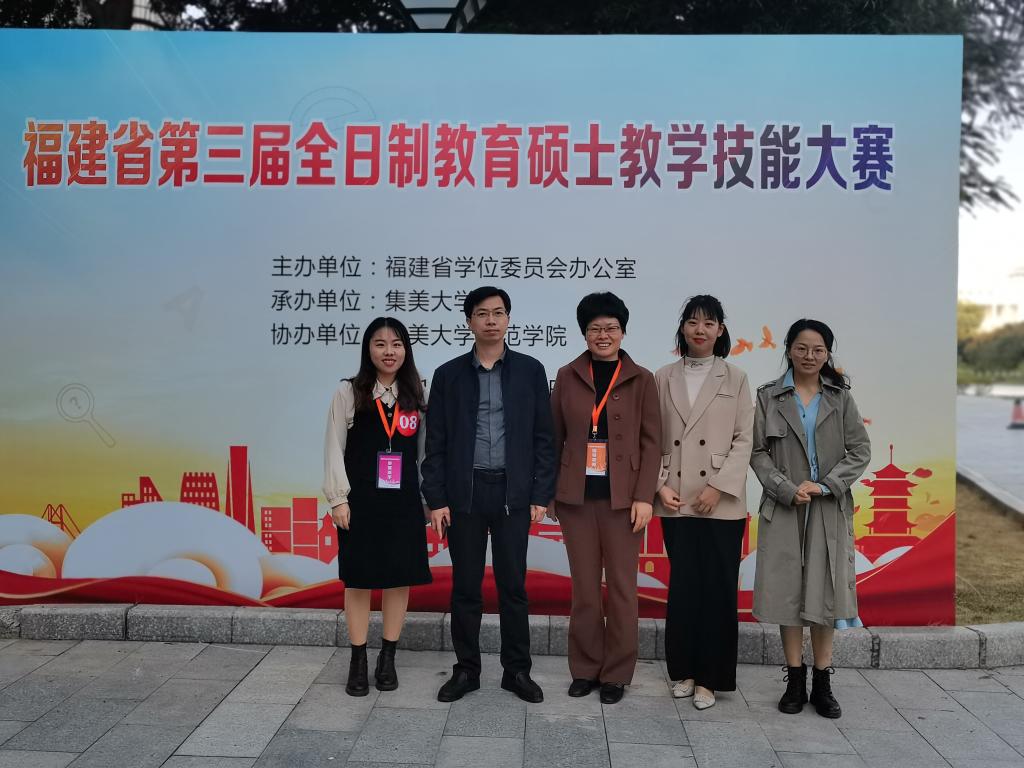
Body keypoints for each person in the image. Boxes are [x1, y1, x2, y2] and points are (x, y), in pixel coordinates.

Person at [422, 286, 556, 704]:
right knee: (466, 588)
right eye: (482, 313)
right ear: (469, 322)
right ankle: (466, 670)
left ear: (509, 319)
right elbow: (435, 444)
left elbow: (544, 438)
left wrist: (540, 493)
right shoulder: (448, 375)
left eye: (499, 313)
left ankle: (517, 672)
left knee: (513, 587)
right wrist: (436, 499)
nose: (491, 320)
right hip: (465, 495)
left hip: (513, 494)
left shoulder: (531, 371)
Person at [750, 318, 871, 719]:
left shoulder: (840, 398)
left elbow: (860, 450)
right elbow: (757, 452)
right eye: (801, 348)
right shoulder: (769, 396)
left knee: (824, 591)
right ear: (788, 350)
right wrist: (785, 487)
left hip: (827, 507)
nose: (809, 356)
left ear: (827, 354)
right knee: (787, 592)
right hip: (785, 505)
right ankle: (794, 679)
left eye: (818, 350)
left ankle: (822, 681)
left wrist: (825, 486)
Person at [548, 292, 661, 704]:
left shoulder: (641, 378)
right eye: (595, 328)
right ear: (584, 333)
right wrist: (550, 495)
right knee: (584, 590)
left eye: (611, 327)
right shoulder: (567, 375)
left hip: (624, 502)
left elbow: (652, 443)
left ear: (623, 332)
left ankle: (616, 673)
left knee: (623, 589)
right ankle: (584, 668)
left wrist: (644, 496)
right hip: (576, 500)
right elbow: (553, 437)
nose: (603, 335)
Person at [653, 295, 754, 711]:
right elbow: (649, 436)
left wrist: (719, 486)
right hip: (675, 498)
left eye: (709, 323)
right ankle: (684, 671)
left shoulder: (736, 378)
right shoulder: (662, 376)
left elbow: (745, 439)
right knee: (683, 588)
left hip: (720, 504)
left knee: (717, 590)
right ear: (682, 328)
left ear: (720, 330)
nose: (700, 330)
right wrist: (659, 485)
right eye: (693, 322)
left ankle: (710, 678)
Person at [323, 316, 432, 697]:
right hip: (360, 503)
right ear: (368, 349)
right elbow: (333, 447)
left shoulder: (416, 392)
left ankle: (388, 657)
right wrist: (338, 499)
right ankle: (358, 659)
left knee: (398, 578)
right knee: (359, 579)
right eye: (380, 344)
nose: (389, 352)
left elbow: (424, 454)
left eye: (397, 344)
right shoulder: (349, 391)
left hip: (403, 502)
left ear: (406, 350)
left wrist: (427, 501)